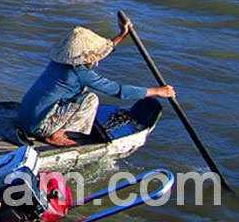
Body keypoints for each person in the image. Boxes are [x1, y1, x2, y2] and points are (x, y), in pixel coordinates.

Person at [18, 21, 175, 147]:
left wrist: (122, 35)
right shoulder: (79, 72)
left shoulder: (58, 63)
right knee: (90, 99)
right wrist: (157, 91)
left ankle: (54, 129)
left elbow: (98, 53)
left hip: (25, 116)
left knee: (76, 96)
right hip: (37, 125)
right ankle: (55, 135)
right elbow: (117, 90)